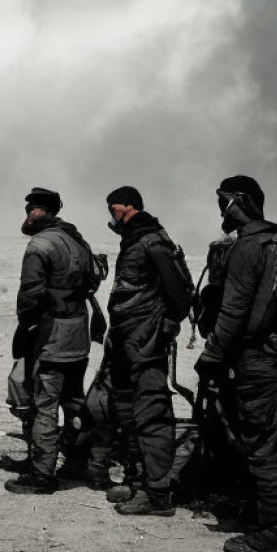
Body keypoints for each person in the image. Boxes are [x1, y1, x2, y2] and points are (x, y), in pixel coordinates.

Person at [194, 176, 277, 552]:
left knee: (261, 443)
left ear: (241, 202)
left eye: (223, 201)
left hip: (252, 361)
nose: (220, 209)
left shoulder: (248, 248)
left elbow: (234, 311)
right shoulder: (276, 244)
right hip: (272, 359)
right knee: (255, 436)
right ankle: (260, 513)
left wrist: (211, 356)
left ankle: (272, 530)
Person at [104, 186, 192, 515]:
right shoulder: (135, 238)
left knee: (152, 411)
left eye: (113, 208)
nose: (110, 215)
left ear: (128, 206)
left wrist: (163, 328)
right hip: (128, 339)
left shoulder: (151, 240)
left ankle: (157, 494)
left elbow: (180, 294)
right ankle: (139, 480)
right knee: (128, 410)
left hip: (145, 341)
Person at [5, 188, 95, 495]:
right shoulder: (77, 240)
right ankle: (78, 463)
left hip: (51, 336)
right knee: (74, 402)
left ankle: (41, 473)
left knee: (44, 404)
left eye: (32, 208)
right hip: (78, 335)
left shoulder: (40, 245)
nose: (28, 213)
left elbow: (30, 296)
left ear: (39, 211)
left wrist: (26, 327)